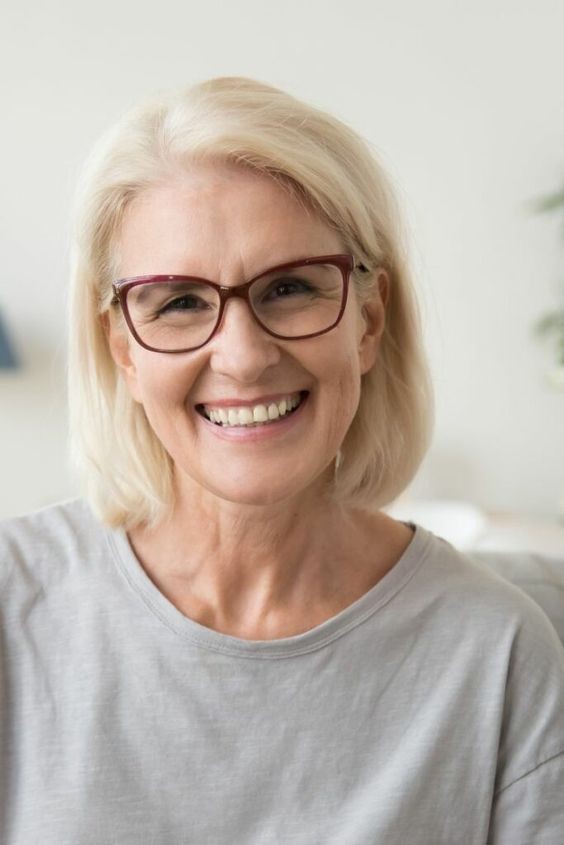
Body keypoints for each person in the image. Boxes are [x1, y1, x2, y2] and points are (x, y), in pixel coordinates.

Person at [1, 77, 563, 844]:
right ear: (122, 348)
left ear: (368, 320)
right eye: (179, 301)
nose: (242, 356)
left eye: (291, 287)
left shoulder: (497, 651)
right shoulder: (13, 607)